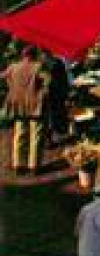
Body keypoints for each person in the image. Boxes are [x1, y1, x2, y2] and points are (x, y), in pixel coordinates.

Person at [4, 45, 49, 173]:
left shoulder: (13, 66)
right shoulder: (38, 66)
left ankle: (18, 164)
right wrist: (42, 92)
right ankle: (33, 166)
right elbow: (48, 82)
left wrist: (11, 85)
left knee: (19, 134)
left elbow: (3, 76)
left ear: (23, 55)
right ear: (34, 55)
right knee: (36, 135)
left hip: (18, 104)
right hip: (35, 105)